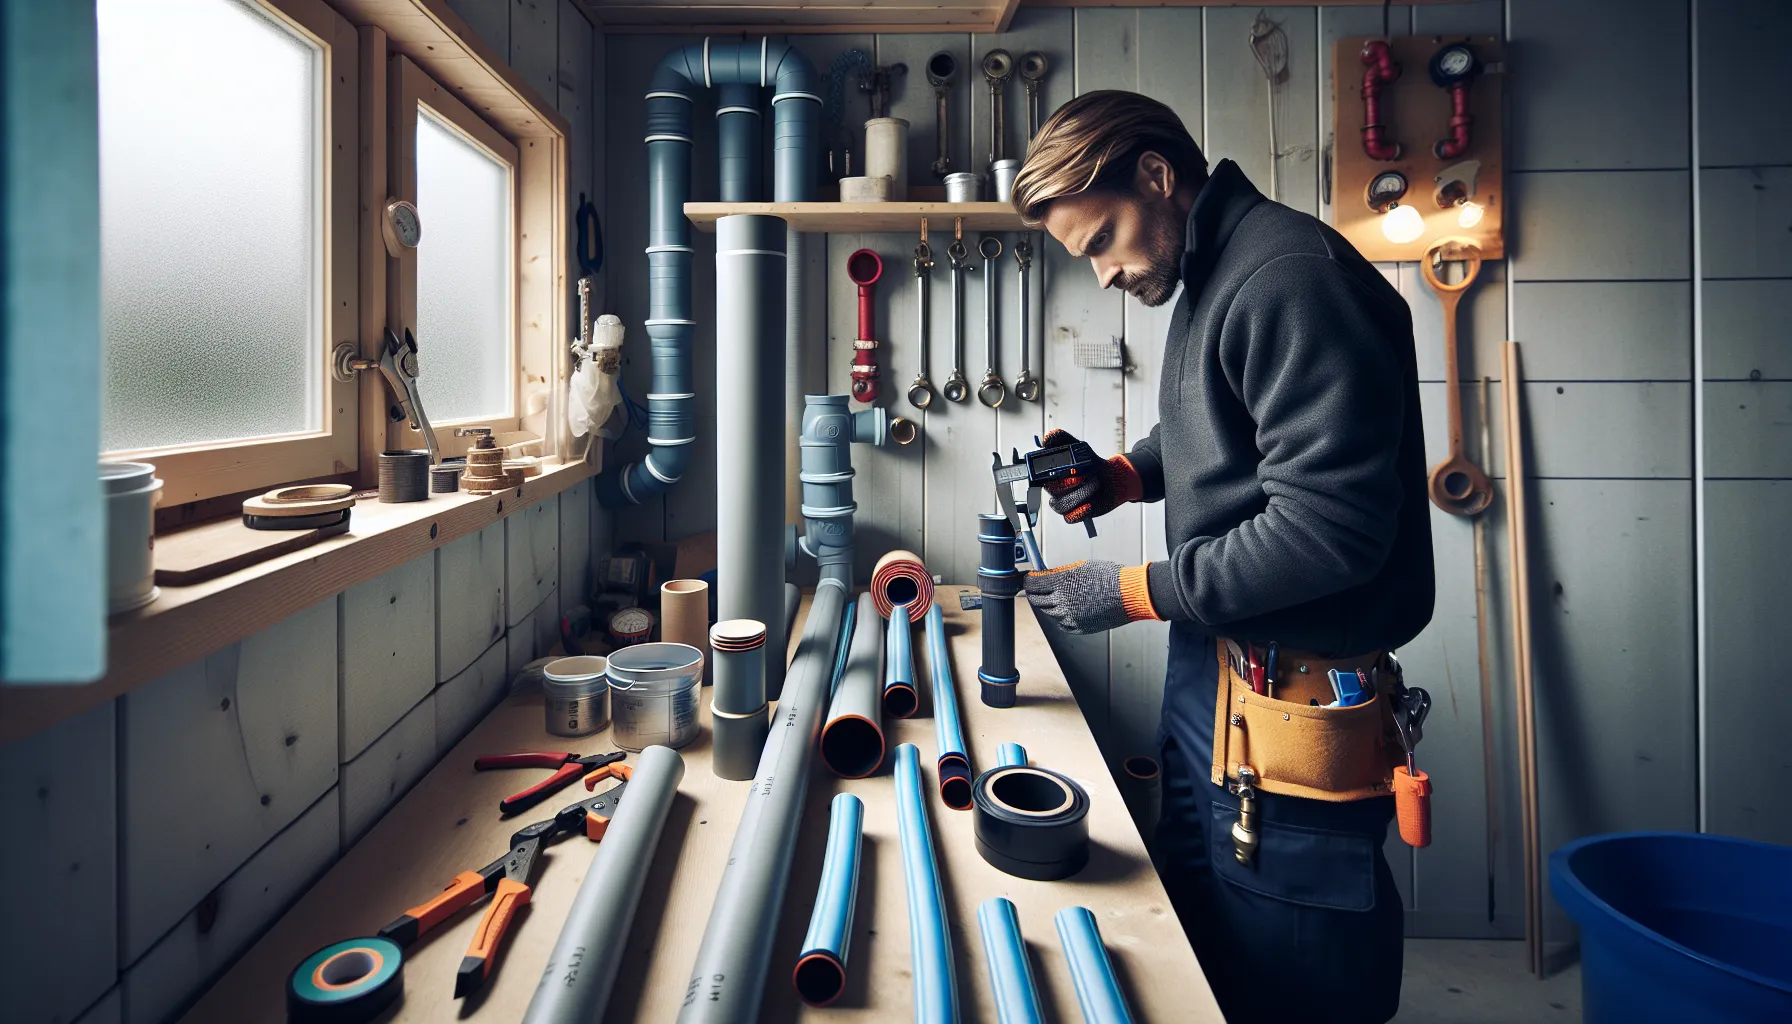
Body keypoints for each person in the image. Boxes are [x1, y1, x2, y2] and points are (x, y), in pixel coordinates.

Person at [1009, 90, 1435, 1023]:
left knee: (1295, 972)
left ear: (1159, 176)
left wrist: (1133, 590)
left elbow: (1330, 528)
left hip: (1298, 696)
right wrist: (1126, 474)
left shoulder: (1292, 274)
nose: (1105, 275)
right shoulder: (1218, 272)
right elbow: (1219, 424)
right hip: (1220, 672)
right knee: (1212, 937)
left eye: (1102, 240)